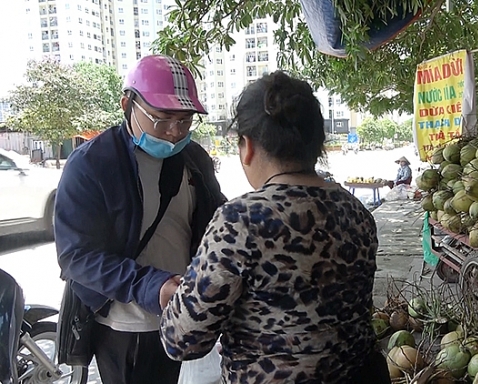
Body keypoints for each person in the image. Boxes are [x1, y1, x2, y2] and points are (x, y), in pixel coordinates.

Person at [159, 71, 390, 384]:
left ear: (248, 146)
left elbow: (182, 339)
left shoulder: (240, 220)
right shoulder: (356, 213)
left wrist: (176, 297)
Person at [54, 55, 226, 384]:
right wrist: (149, 285)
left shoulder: (194, 160)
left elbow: (214, 222)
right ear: (127, 104)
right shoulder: (91, 165)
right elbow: (75, 257)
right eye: (162, 119)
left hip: (176, 318)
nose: (176, 132)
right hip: (122, 324)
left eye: (185, 120)